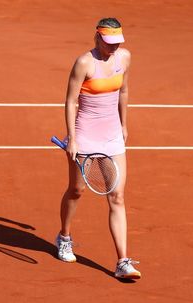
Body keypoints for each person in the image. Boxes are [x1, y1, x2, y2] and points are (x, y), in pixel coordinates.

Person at [55, 17, 141, 279]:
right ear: (97, 38)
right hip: (85, 135)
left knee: (117, 197)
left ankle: (122, 261)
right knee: (77, 190)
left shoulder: (124, 58)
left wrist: (124, 125)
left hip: (112, 135)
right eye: (108, 43)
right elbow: (70, 102)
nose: (113, 48)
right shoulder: (84, 63)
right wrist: (72, 138)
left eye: (117, 43)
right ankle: (65, 237)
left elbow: (123, 92)